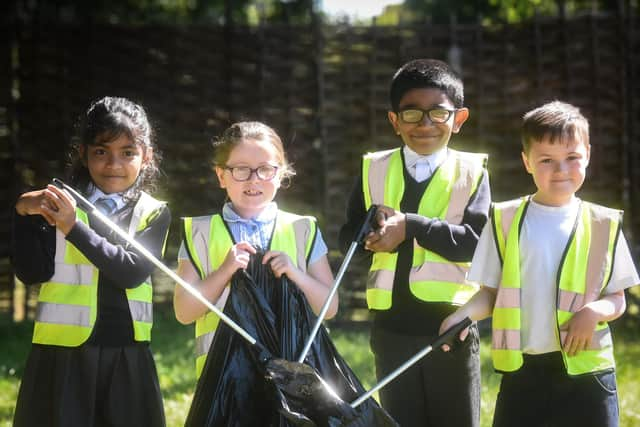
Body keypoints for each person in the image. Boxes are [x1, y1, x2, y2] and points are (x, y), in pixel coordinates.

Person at [440, 100, 639, 427]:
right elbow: (491, 294)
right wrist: (460, 316)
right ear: (527, 162)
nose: (561, 170)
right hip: (524, 370)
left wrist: (593, 313)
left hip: (587, 370)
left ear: (588, 154)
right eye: (547, 160)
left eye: (572, 158)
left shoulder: (604, 224)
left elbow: (618, 299)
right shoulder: (503, 220)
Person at [338, 58, 490, 427]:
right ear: (394, 121)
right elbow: (349, 239)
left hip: (451, 328)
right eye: (411, 114)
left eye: (438, 113)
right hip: (391, 330)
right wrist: (370, 234)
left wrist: (413, 226)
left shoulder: (472, 174)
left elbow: (476, 245)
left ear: (459, 118)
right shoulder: (373, 168)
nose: (425, 125)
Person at [11, 96, 170, 427]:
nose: (114, 164)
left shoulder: (153, 213)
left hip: (126, 356)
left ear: (147, 157)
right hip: (61, 357)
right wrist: (24, 215)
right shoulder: (57, 203)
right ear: (83, 154)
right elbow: (31, 272)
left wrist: (72, 227)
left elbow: (130, 272)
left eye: (128, 153)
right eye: (101, 152)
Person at [174, 121, 337, 377]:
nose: (253, 180)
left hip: (292, 374)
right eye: (241, 170)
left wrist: (296, 274)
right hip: (225, 377)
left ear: (281, 174)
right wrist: (224, 272)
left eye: (265, 169)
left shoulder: (302, 229)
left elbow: (329, 308)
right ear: (221, 175)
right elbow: (184, 312)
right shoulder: (199, 233)